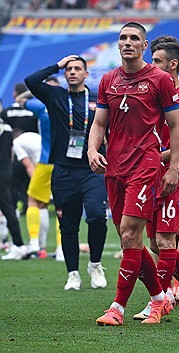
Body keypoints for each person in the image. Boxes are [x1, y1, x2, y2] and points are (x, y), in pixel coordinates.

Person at [87, 22, 179, 326]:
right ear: (118, 45)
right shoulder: (107, 80)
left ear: (144, 46)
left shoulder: (160, 80)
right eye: (123, 38)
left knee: (130, 233)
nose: (128, 42)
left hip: (145, 165)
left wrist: (173, 168)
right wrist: (92, 150)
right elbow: (100, 123)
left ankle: (117, 307)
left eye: (134, 39)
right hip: (114, 167)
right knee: (129, 238)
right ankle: (159, 299)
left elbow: (176, 126)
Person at [131, 41, 179, 321]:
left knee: (166, 240)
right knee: (155, 244)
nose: (151, 65)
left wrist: (158, 158)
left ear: (172, 64)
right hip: (149, 176)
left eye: (157, 60)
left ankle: (160, 301)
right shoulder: (151, 92)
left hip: (175, 176)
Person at [25, 56, 108, 291]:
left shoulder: (97, 99)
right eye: (69, 69)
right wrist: (57, 65)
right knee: (68, 225)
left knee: (96, 215)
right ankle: (73, 274)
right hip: (63, 170)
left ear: (86, 74)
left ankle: (95, 264)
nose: (72, 72)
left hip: (92, 168)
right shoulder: (56, 96)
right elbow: (31, 81)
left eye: (77, 69)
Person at [16, 76, 63, 260]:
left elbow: (20, 99)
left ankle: (34, 243)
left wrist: (39, 89)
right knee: (63, 206)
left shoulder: (41, 105)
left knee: (33, 201)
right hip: (65, 163)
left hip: (45, 161)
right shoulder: (68, 104)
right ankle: (61, 249)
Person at [0, 118, 29, 260]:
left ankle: (19, 245)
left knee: (8, 209)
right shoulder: (7, 127)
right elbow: (10, 152)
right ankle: (19, 244)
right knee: (8, 208)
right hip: (6, 171)